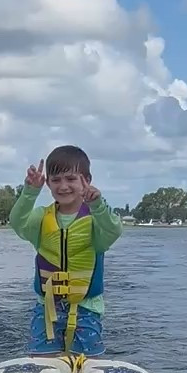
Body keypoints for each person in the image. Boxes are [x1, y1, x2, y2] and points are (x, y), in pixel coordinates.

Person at [8, 145, 123, 355]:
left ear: (86, 179)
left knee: (87, 363)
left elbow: (113, 229)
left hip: (87, 309)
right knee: (43, 360)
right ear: (48, 183)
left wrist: (97, 205)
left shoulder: (96, 221)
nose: (63, 186)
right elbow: (18, 222)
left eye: (71, 179)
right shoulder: (41, 219)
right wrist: (30, 192)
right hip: (47, 310)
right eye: (56, 180)